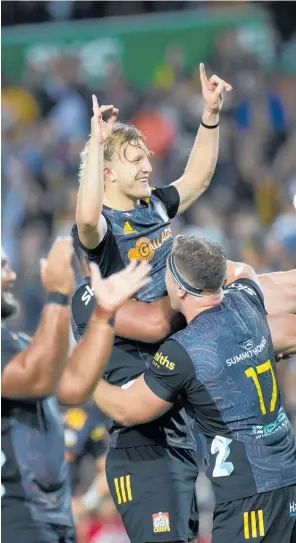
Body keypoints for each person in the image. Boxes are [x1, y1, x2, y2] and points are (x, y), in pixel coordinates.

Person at [73, 63, 232, 543]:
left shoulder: (155, 206)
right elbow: (83, 220)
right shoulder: (101, 228)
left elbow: (198, 178)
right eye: (134, 158)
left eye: (146, 155)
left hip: (174, 415)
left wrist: (210, 115)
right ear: (106, 173)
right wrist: (97, 140)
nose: (147, 164)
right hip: (139, 430)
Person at [92, 236, 296, 543]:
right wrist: (207, 262)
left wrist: (86, 376)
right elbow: (242, 271)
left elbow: (127, 409)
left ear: (179, 287)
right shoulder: (247, 299)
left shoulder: (183, 350)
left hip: (248, 496)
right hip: (288, 475)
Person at [1, 239, 150, 543]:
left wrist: (104, 314)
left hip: (52, 516)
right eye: (2, 266)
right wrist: (57, 296)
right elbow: (40, 378)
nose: (11, 275)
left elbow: (73, 385)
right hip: (12, 514)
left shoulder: (15, 342)